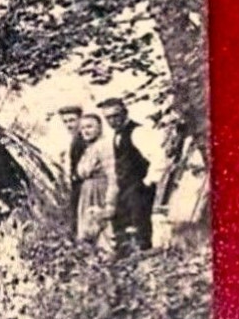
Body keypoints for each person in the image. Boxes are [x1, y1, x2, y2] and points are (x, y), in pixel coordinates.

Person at [97, 97, 170, 253]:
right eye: (107, 118)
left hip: (138, 187)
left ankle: (145, 257)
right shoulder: (116, 135)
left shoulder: (137, 132)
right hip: (125, 188)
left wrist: (148, 181)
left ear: (125, 113)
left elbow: (159, 157)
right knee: (124, 225)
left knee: (141, 225)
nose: (112, 121)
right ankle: (128, 259)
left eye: (115, 116)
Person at [75, 113, 117, 249]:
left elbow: (112, 174)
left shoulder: (104, 146)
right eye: (82, 128)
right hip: (88, 193)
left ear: (99, 128)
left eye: (90, 127)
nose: (85, 131)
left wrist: (110, 202)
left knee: (101, 230)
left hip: (99, 192)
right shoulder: (89, 148)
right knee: (87, 232)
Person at [57, 104, 86, 235]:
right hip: (76, 185)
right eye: (65, 122)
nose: (69, 125)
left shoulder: (83, 139)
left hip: (84, 185)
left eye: (72, 120)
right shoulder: (73, 140)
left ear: (80, 119)